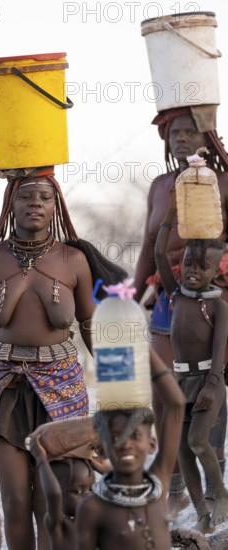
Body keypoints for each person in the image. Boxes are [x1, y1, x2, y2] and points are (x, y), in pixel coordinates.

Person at [0, 166, 127, 550]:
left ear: (56, 204)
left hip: (62, 387)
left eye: (45, 197)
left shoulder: (74, 260)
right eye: (27, 196)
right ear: (11, 202)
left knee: (53, 497)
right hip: (2, 388)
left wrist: (123, 387)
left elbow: (92, 327)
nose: (36, 204)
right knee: (15, 499)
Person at [133, 105, 228, 514]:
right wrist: (130, 295)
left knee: (211, 389)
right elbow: (149, 246)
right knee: (166, 387)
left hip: (216, 296)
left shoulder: (224, 180)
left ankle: (215, 487)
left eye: (190, 132)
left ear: (209, 137)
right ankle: (172, 483)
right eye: (174, 134)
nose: (181, 139)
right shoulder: (160, 185)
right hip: (168, 296)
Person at [155, 191, 228, 533]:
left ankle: (222, 496)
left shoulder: (218, 307)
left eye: (201, 267)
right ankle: (201, 512)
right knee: (182, 452)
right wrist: (170, 211)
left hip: (208, 383)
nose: (192, 272)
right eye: (187, 264)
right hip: (179, 382)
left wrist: (214, 385)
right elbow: (157, 252)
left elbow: (219, 352)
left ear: (216, 270)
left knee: (200, 442)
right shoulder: (175, 294)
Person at [76, 347, 186, 550]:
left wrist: (143, 347)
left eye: (134, 435)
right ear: (102, 450)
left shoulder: (158, 484)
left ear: (152, 444)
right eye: (116, 438)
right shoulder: (93, 508)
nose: (126, 444)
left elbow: (176, 404)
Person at [29, 434, 95, 550]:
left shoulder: (96, 520)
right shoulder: (58, 525)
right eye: (77, 491)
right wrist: (41, 460)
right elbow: (53, 495)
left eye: (90, 489)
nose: (87, 496)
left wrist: (106, 470)